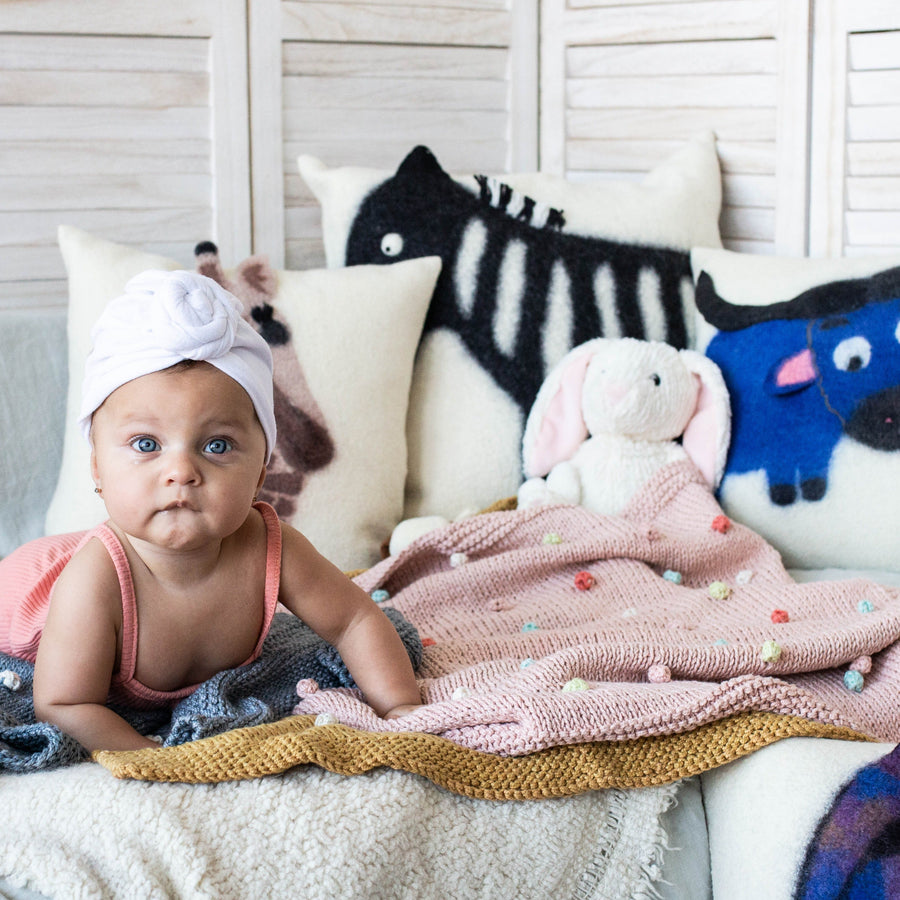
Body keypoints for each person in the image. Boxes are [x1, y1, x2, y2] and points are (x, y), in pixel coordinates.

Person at [0, 270, 422, 752]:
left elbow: (356, 622)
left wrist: (400, 709)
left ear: (261, 471)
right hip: (20, 602)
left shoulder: (270, 546)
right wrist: (153, 760)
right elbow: (64, 705)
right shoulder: (95, 578)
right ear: (97, 468)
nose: (181, 470)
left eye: (217, 445)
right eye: (146, 444)